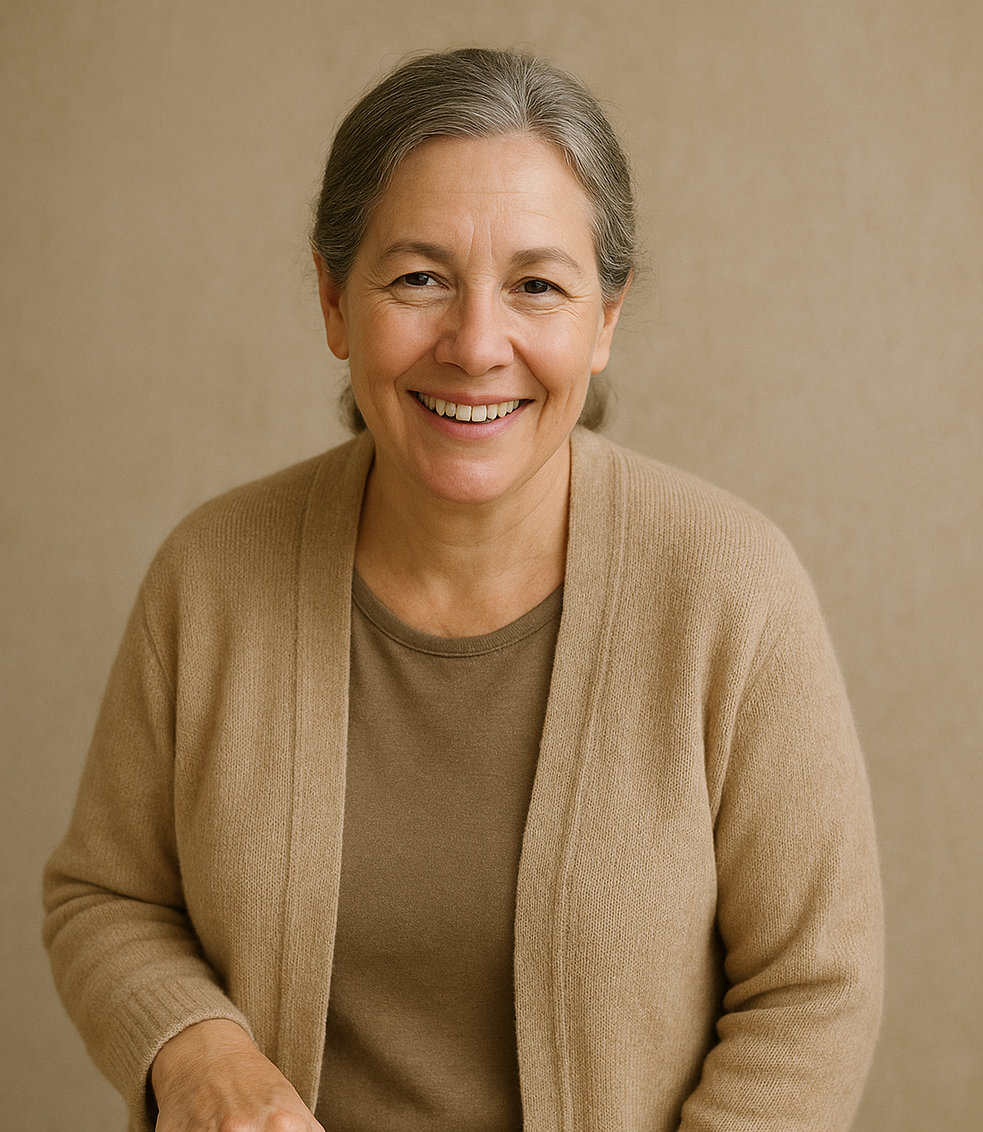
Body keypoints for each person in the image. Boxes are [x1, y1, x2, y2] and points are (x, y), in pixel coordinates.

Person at [43, 48, 883, 1132]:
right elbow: (106, 898)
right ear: (334, 301)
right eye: (419, 278)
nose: (476, 344)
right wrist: (194, 1047)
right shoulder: (209, 576)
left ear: (606, 321)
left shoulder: (732, 589)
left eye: (537, 284)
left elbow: (813, 988)